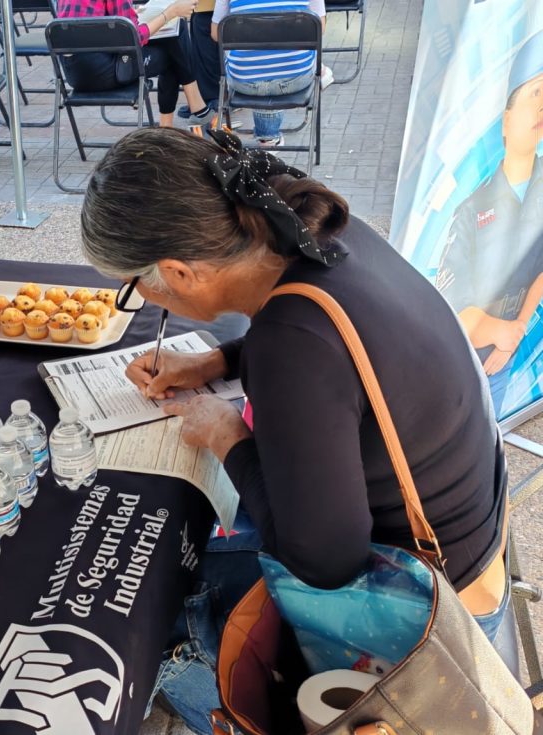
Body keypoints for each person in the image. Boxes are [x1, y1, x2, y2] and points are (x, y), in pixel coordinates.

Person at [79, 127, 509, 733]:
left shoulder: (290, 344)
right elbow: (336, 348)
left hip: (433, 626)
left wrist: (226, 434)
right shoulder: (317, 229)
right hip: (474, 537)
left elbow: (323, 563)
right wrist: (217, 361)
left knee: (152, 604)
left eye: (135, 286)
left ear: (178, 271)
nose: (145, 298)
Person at [436, 30, 543, 418]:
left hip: (507, 351)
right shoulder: (471, 208)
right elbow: (450, 303)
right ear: (506, 121)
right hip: (466, 356)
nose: (542, 105)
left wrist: (514, 331)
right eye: (535, 93)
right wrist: (497, 333)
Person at [56, 0, 213, 128]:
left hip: (74, 74)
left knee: (171, 36)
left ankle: (194, 109)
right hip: (107, 72)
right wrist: (170, 13)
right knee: (173, 45)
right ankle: (170, 125)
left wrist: (129, 16)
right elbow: (132, 38)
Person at [210, 0, 326, 147]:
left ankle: (268, 138)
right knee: (308, 58)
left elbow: (216, 34)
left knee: (251, 60)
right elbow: (319, 28)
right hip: (295, 77)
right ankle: (268, 138)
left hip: (245, 80)